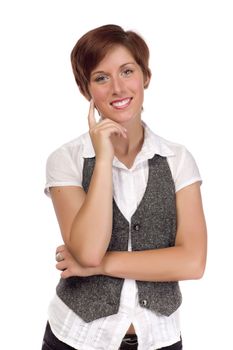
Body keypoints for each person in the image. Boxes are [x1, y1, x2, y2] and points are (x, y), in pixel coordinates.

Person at [42, 24, 207, 350]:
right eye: (101, 78)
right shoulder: (67, 159)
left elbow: (192, 262)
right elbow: (87, 251)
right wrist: (103, 159)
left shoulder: (177, 159)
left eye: (127, 71)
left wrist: (102, 265)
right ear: (86, 90)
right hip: (76, 339)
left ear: (145, 76)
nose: (117, 88)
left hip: (159, 340)